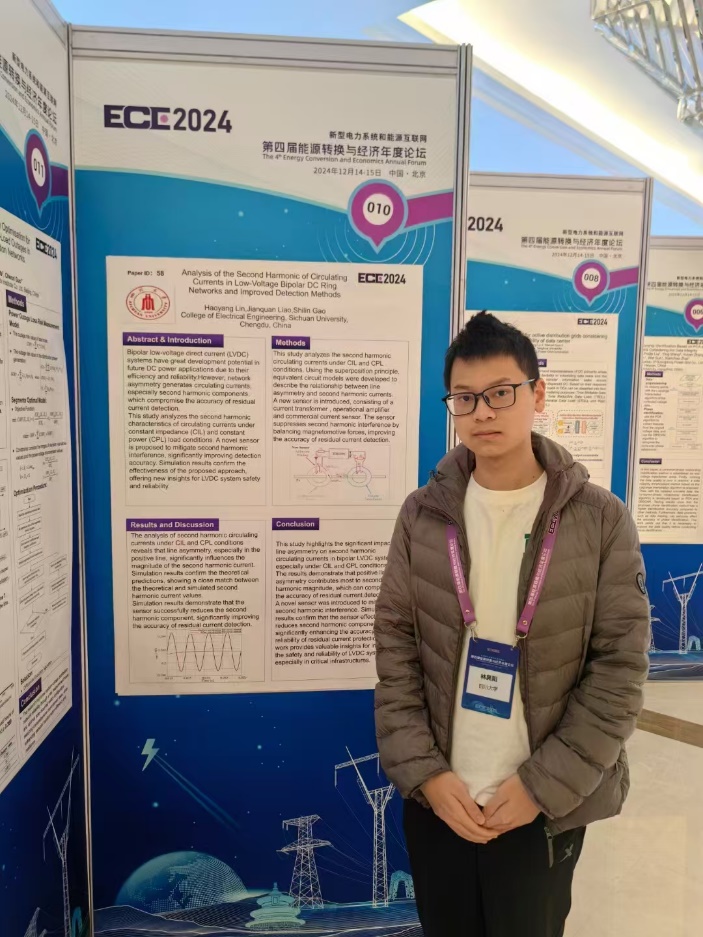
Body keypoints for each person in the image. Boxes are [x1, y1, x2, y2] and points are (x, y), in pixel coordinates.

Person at [374, 312, 650, 937]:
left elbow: (619, 670)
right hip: (441, 800)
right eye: (465, 398)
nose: (483, 412)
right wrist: (426, 774)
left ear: (537, 393)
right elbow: (395, 652)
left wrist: (541, 788)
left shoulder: (599, 519)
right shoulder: (422, 515)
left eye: (501, 392)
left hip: (541, 808)